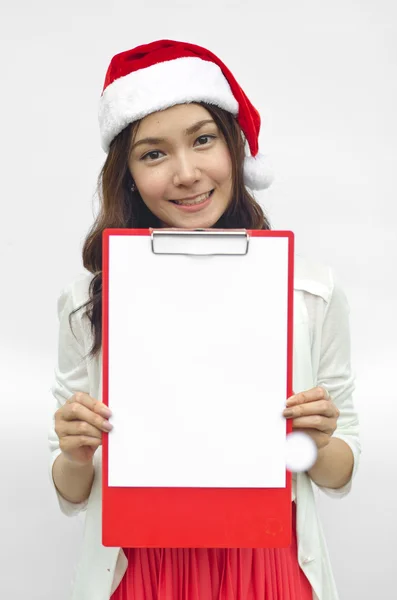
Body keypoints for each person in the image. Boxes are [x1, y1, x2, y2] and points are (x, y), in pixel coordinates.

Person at [48, 39, 361, 600]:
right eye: (153, 154)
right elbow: (72, 492)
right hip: (139, 569)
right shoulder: (87, 303)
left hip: (266, 566)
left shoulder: (309, 292)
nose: (187, 173)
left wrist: (315, 437)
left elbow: (337, 472)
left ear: (234, 148)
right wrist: (75, 451)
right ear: (128, 174)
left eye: (202, 139)